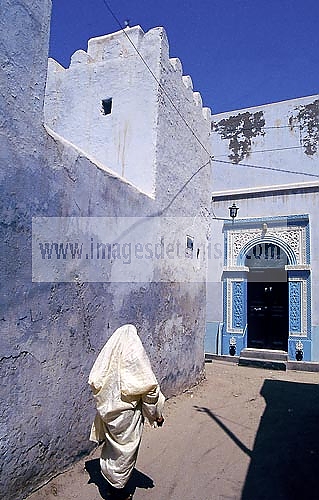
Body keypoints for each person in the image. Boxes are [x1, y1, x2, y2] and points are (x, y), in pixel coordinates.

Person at [88, 324, 165, 500]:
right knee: (125, 452)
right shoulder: (135, 357)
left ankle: (110, 482)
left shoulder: (109, 358)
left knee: (112, 449)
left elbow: (96, 380)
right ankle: (118, 491)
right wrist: (155, 415)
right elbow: (149, 389)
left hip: (109, 412)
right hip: (128, 416)